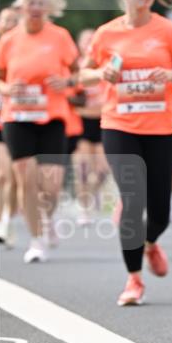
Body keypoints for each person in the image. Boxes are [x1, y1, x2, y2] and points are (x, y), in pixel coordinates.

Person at [80, 0, 172, 306]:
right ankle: (134, 280)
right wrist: (101, 72)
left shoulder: (168, 31)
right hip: (119, 125)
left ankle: (150, 242)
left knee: (159, 213)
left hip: (162, 128)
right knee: (133, 201)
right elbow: (82, 74)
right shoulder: (106, 34)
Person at [0, 0, 79, 263]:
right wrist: (7, 88)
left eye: (40, 3)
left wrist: (66, 82)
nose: (35, 8)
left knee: (51, 185)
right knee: (27, 179)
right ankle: (36, 240)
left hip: (52, 117)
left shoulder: (60, 37)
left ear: (47, 9)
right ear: (21, 7)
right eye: (30, 3)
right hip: (18, 117)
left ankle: (49, 216)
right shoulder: (8, 41)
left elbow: (79, 72)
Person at [73, 28, 110, 226]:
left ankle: (93, 193)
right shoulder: (75, 69)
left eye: (92, 40)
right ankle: (84, 206)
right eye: (85, 40)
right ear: (78, 44)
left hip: (104, 121)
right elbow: (69, 101)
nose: (89, 43)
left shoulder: (105, 68)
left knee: (103, 168)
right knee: (83, 168)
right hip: (81, 123)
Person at [0, 5, 20, 244]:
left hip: (18, 120)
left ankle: (8, 219)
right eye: (5, 20)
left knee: (14, 177)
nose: (10, 24)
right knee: (1, 174)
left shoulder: (23, 52)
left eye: (14, 20)